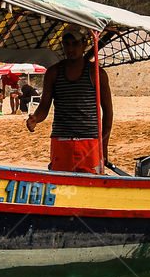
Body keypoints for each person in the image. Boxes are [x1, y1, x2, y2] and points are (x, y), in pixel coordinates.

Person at [26, 29, 113, 174]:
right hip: (61, 141)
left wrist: (104, 146)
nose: (70, 49)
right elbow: (44, 106)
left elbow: (108, 112)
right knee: (60, 182)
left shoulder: (97, 73)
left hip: (90, 141)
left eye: (75, 44)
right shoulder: (53, 73)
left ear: (84, 44)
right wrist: (35, 118)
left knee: (91, 183)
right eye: (67, 44)